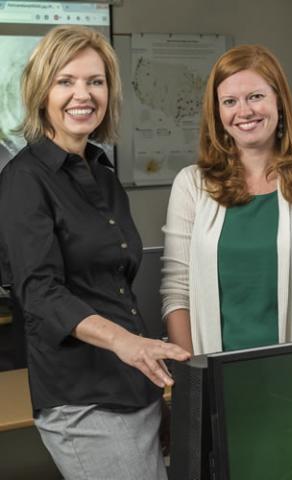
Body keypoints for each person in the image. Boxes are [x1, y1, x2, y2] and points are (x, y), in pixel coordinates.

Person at [0, 25, 190, 480]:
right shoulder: (24, 180)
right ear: (41, 91)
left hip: (135, 389)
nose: (82, 94)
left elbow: (115, 287)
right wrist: (125, 343)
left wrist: (149, 376)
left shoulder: (102, 173)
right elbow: (40, 293)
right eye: (65, 81)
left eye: (95, 81)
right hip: (82, 401)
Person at [161, 44, 292, 356]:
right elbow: (177, 294)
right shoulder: (191, 185)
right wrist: (195, 375)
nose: (244, 111)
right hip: (213, 375)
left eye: (256, 97)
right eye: (230, 101)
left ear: (279, 101)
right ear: (218, 113)